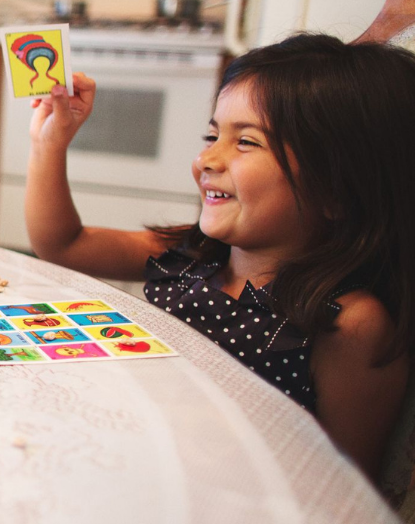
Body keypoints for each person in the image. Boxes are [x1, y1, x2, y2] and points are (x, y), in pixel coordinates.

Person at [24, 33, 415, 481]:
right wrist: (47, 144)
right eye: (212, 135)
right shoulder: (189, 256)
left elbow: (347, 487)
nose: (207, 158)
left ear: (336, 191)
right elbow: (64, 244)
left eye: (246, 142)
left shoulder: (350, 323)